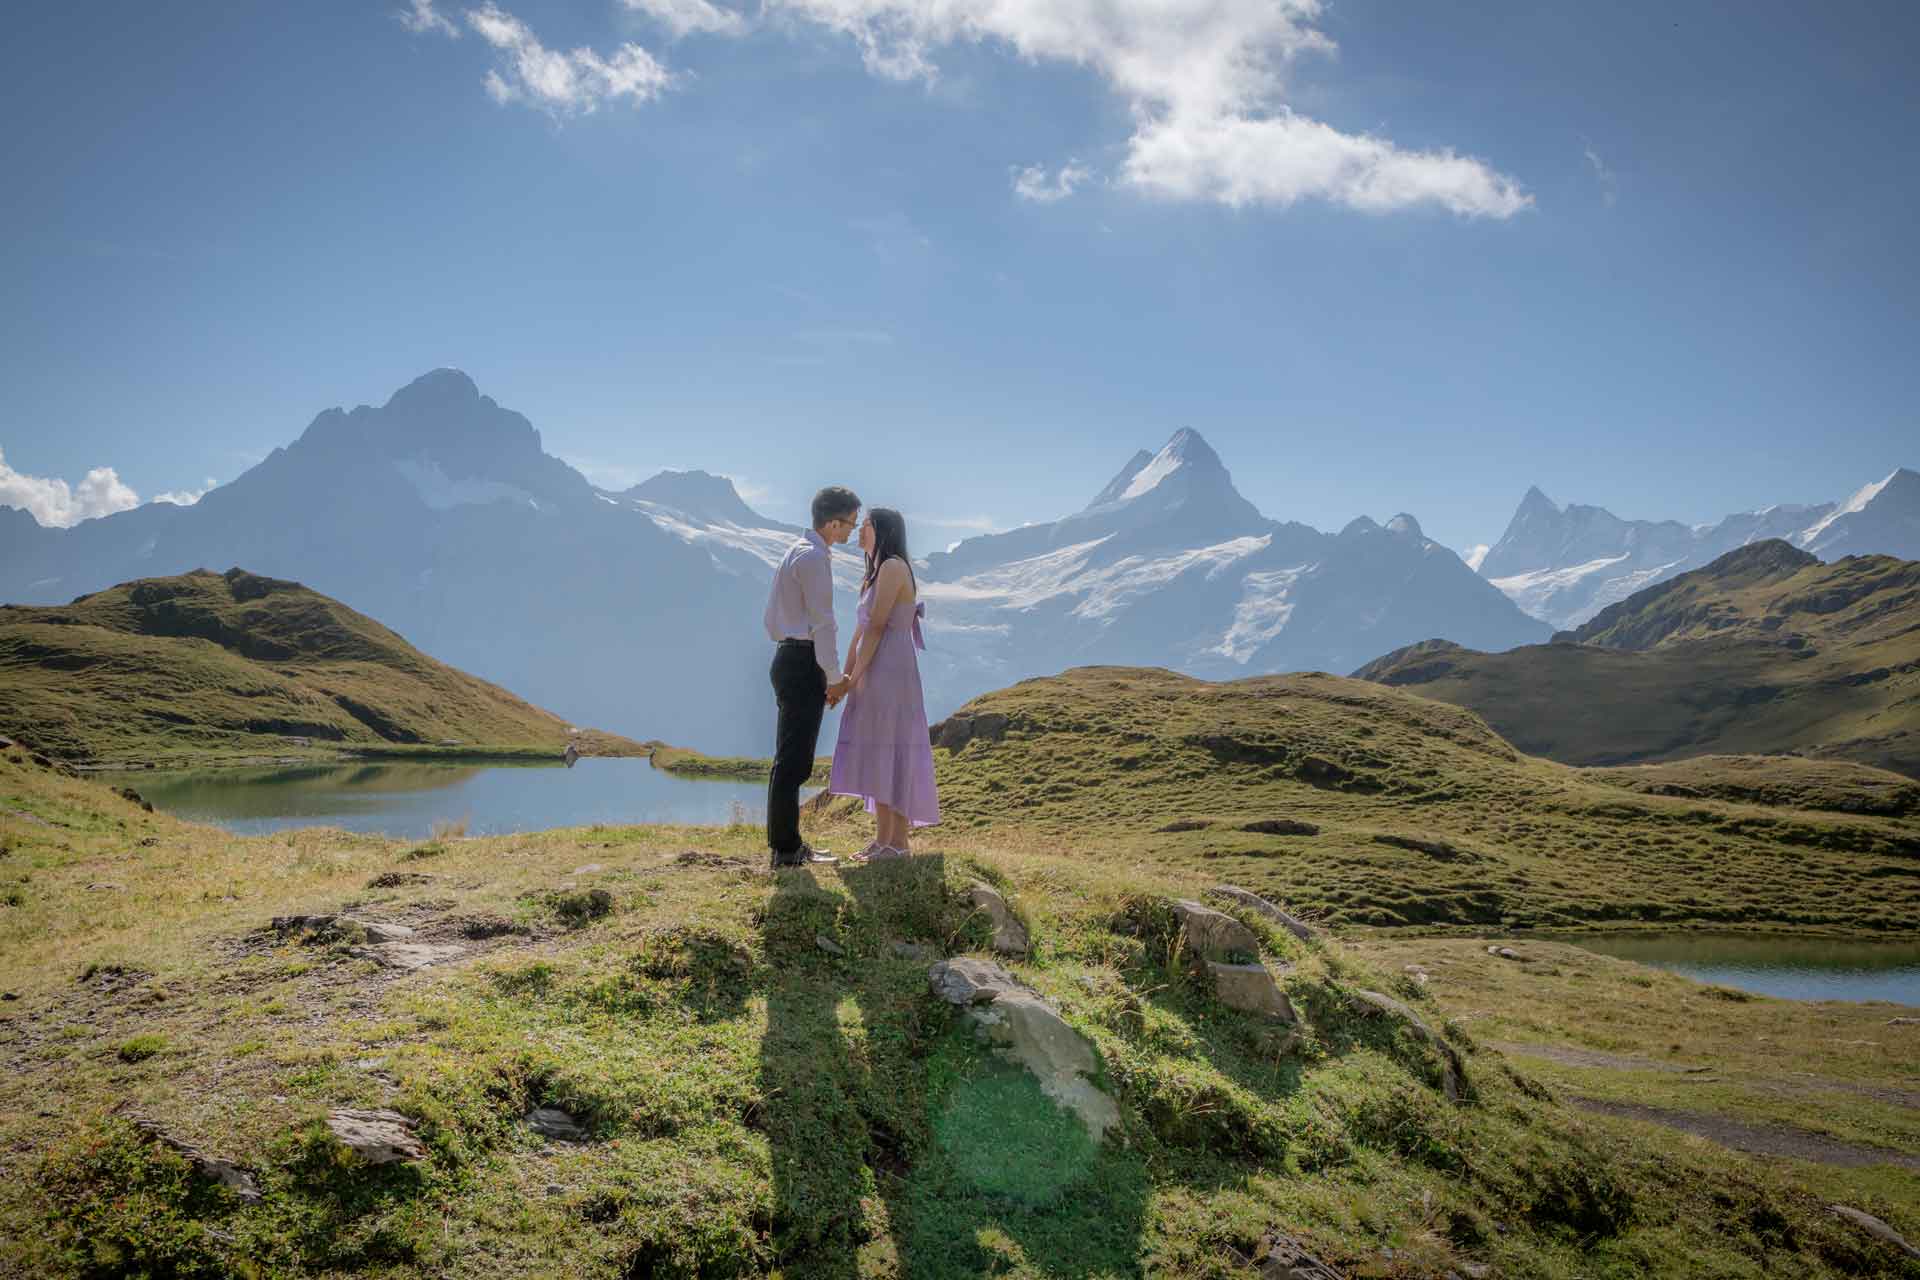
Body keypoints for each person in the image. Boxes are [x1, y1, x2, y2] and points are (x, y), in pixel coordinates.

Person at [829, 507, 939, 859]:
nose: (860, 531)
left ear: (883, 531)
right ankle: (883, 840)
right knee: (878, 748)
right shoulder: (875, 573)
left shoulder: (893, 567)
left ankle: (898, 844)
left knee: (892, 747)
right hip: (872, 667)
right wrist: (845, 677)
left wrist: (854, 677)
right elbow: (859, 633)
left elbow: (877, 627)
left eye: (866, 526)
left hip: (890, 667)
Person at [764, 485, 860, 869]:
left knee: (789, 759)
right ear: (833, 523)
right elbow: (823, 623)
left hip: (789, 656)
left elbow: (774, 618)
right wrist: (835, 676)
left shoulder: (796, 552)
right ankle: (786, 850)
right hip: (804, 662)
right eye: (850, 524)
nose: (852, 532)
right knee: (794, 762)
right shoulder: (815, 559)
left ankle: (786, 845)